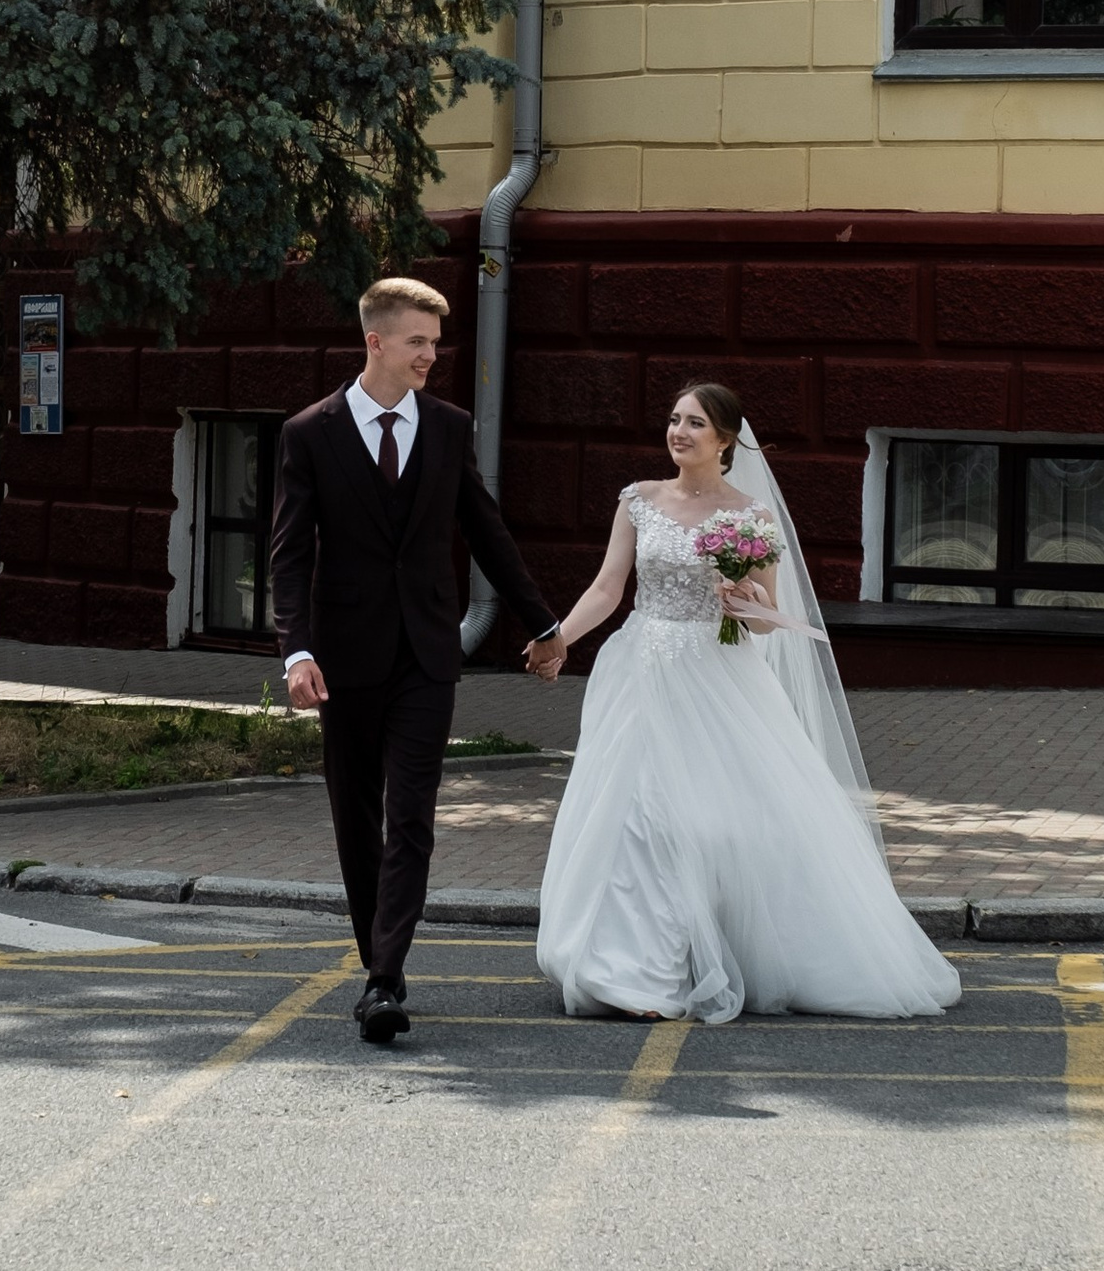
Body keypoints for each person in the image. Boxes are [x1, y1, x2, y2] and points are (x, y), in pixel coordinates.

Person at [535, 380, 960, 1026]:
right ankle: (632, 972)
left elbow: (766, 622)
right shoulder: (639, 501)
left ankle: (708, 954)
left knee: (712, 823)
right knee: (637, 817)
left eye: (695, 424)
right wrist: (558, 638)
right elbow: (606, 587)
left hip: (716, 675)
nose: (679, 432)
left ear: (726, 440)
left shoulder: (749, 517)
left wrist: (743, 597)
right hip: (642, 671)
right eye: (675, 420)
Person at [269, 278, 567, 1046]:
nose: (432, 355)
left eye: (436, 343)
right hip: (343, 659)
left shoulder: (447, 427)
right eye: (418, 342)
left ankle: (383, 978)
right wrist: (296, 650)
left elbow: (488, 533)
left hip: (427, 656)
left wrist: (545, 627)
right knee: (354, 818)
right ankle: (381, 963)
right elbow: (289, 554)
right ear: (376, 342)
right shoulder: (311, 432)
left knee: (412, 817)